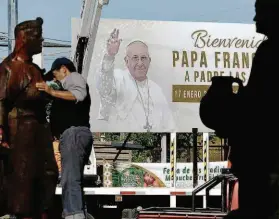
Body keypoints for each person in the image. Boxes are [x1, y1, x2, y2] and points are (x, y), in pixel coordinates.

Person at [221, 0, 279, 218]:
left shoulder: (271, 52)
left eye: (259, 13)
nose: (255, 19)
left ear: (273, 17)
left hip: (267, 159)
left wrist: (232, 104)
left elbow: (258, 107)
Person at [0, 17, 58, 219]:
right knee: (24, 181)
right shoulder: (8, 68)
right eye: (38, 36)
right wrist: (1, 131)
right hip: (20, 129)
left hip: (40, 130)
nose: (42, 40)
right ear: (23, 38)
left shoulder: (34, 69)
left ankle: (43, 211)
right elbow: (1, 101)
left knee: (49, 174)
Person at [36, 57, 93, 219]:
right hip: (71, 135)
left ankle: (74, 215)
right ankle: (76, 213)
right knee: (72, 180)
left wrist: (51, 91)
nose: (54, 80)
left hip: (74, 133)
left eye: (55, 75)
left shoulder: (73, 77)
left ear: (63, 69)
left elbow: (79, 95)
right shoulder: (63, 89)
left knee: (70, 180)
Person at [95, 29, 176, 132]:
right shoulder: (118, 78)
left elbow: (170, 125)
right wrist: (109, 56)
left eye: (143, 58)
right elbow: (103, 87)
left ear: (149, 61)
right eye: (135, 58)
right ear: (126, 61)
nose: (140, 63)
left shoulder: (157, 90)